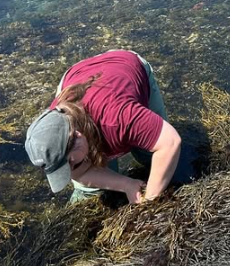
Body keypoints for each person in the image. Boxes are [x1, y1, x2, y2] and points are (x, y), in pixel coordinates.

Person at [25, 50, 181, 204]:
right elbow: (79, 172)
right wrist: (127, 184)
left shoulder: (118, 117)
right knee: (91, 191)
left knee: (149, 155)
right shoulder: (53, 127)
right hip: (76, 76)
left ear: (77, 136)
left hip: (125, 64)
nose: (69, 171)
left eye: (70, 163)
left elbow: (170, 142)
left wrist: (149, 201)